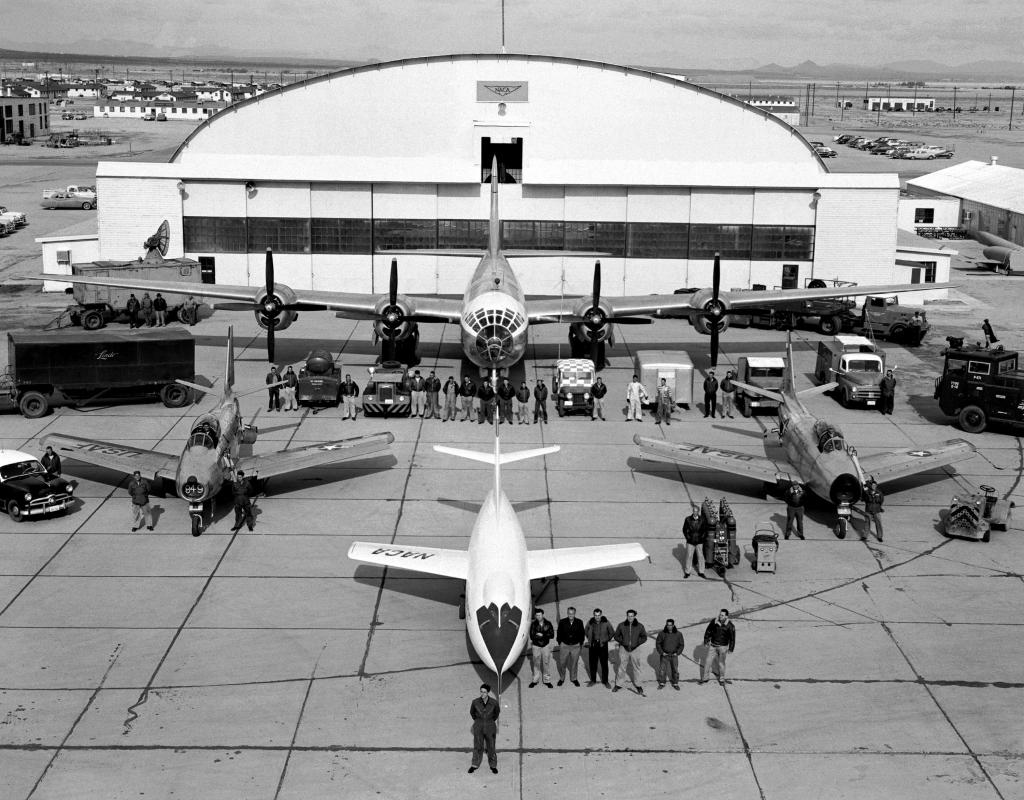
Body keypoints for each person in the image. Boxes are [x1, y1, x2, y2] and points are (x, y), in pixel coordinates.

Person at [612, 609, 648, 694]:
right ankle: (618, 684)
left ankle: (638, 685)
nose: (630, 617)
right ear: (627, 616)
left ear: (634, 616)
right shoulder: (621, 625)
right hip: (623, 649)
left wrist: (637, 643)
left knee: (636, 667)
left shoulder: (640, 626)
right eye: (628, 616)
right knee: (622, 667)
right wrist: (623, 642)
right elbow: (616, 636)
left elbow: (644, 637)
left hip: (635, 649)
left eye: (632, 616)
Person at [468, 683, 499, 774]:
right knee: (477, 745)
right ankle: (474, 764)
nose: (482, 694)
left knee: (491, 746)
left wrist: (489, 721)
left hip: (490, 726)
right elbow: (472, 713)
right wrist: (478, 721)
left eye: (484, 692)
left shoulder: (494, 703)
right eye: (481, 692)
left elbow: (496, 713)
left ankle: (493, 765)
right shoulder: (475, 702)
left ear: (488, 692)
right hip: (478, 726)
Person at [700, 609, 736, 685]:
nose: (720, 616)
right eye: (720, 614)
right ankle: (705, 678)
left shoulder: (730, 625)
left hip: (723, 647)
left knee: (721, 663)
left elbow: (732, 638)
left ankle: (722, 679)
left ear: (726, 616)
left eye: (722, 615)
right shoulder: (714, 621)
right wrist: (706, 641)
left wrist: (731, 649)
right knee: (707, 662)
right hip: (713, 646)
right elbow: (708, 631)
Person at [556, 607, 585, 687]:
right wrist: (560, 643)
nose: (570, 615)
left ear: (574, 613)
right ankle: (562, 678)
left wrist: (580, 643)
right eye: (569, 613)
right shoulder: (562, 622)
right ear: (567, 613)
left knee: (574, 663)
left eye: (572, 613)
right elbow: (559, 633)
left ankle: (574, 678)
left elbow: (582, 633)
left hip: (575, 646)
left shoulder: (579, 622)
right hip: (564, 645)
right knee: (562, 663)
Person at [585, 608, 614, 687]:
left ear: (601, 615)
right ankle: (593, 680)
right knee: (593, 664)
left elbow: (611, 632)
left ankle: (605, 681)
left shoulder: (606, 622)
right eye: (595, 615)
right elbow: (586, 631)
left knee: (604, 664)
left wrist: (606, 640)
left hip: (603, 645)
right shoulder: (590, 622)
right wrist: (590, 639)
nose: (597, 617)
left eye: (598, 615)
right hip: (593, 645)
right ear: (593, 615)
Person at [528, 608, 555, 688]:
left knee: (546, 663)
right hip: (536, 646)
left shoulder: (548, 623)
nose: (538, 616)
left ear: (543, 615)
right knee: (536, 663)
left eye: (539, 615)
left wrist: (542, 635)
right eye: (536, 615)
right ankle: (535, 680)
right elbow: (532, 636)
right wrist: (544, 636)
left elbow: (552, 635)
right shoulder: (533, 624)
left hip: (545, 646)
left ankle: (547, 680)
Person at [655, 619, 685, 690]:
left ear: (673, 625)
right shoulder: (662, 633)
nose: (669, 626)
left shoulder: (678, 634)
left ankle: (675, 683)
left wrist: (677, 653)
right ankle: (662, 683)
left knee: (675, 670)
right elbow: (658, 644)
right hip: (664, 655)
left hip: (674, 655)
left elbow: (681, 645)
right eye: (667, 625)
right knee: (662, 670)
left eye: (670, 625)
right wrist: (662, 652)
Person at [682, 505, 707, 578]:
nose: (695, 512)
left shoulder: (702, 519)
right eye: (694, 511)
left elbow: (705, 530)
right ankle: (687, 572)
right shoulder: (688, 519)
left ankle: (701, 572)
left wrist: (702, 538)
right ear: (692, 511)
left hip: (699, 542)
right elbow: (684, 530)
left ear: (698, 511)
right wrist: (688, 538)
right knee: (689, 556)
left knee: (700, 556)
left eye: (696, 511)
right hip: (690, 541)